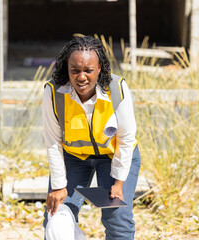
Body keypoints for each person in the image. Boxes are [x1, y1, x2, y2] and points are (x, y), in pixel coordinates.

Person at [42, 35, 141, 240]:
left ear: (99, 69)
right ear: (66, 70)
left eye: (88, 70)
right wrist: (59, 185)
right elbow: (52, 141)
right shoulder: (53, 92)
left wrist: (119, 182)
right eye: (75, 70)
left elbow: (126, 138)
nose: (81, 77)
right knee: (56, 217)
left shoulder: (117, 89)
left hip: (114, 156)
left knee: (117, 219)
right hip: (73, 158)